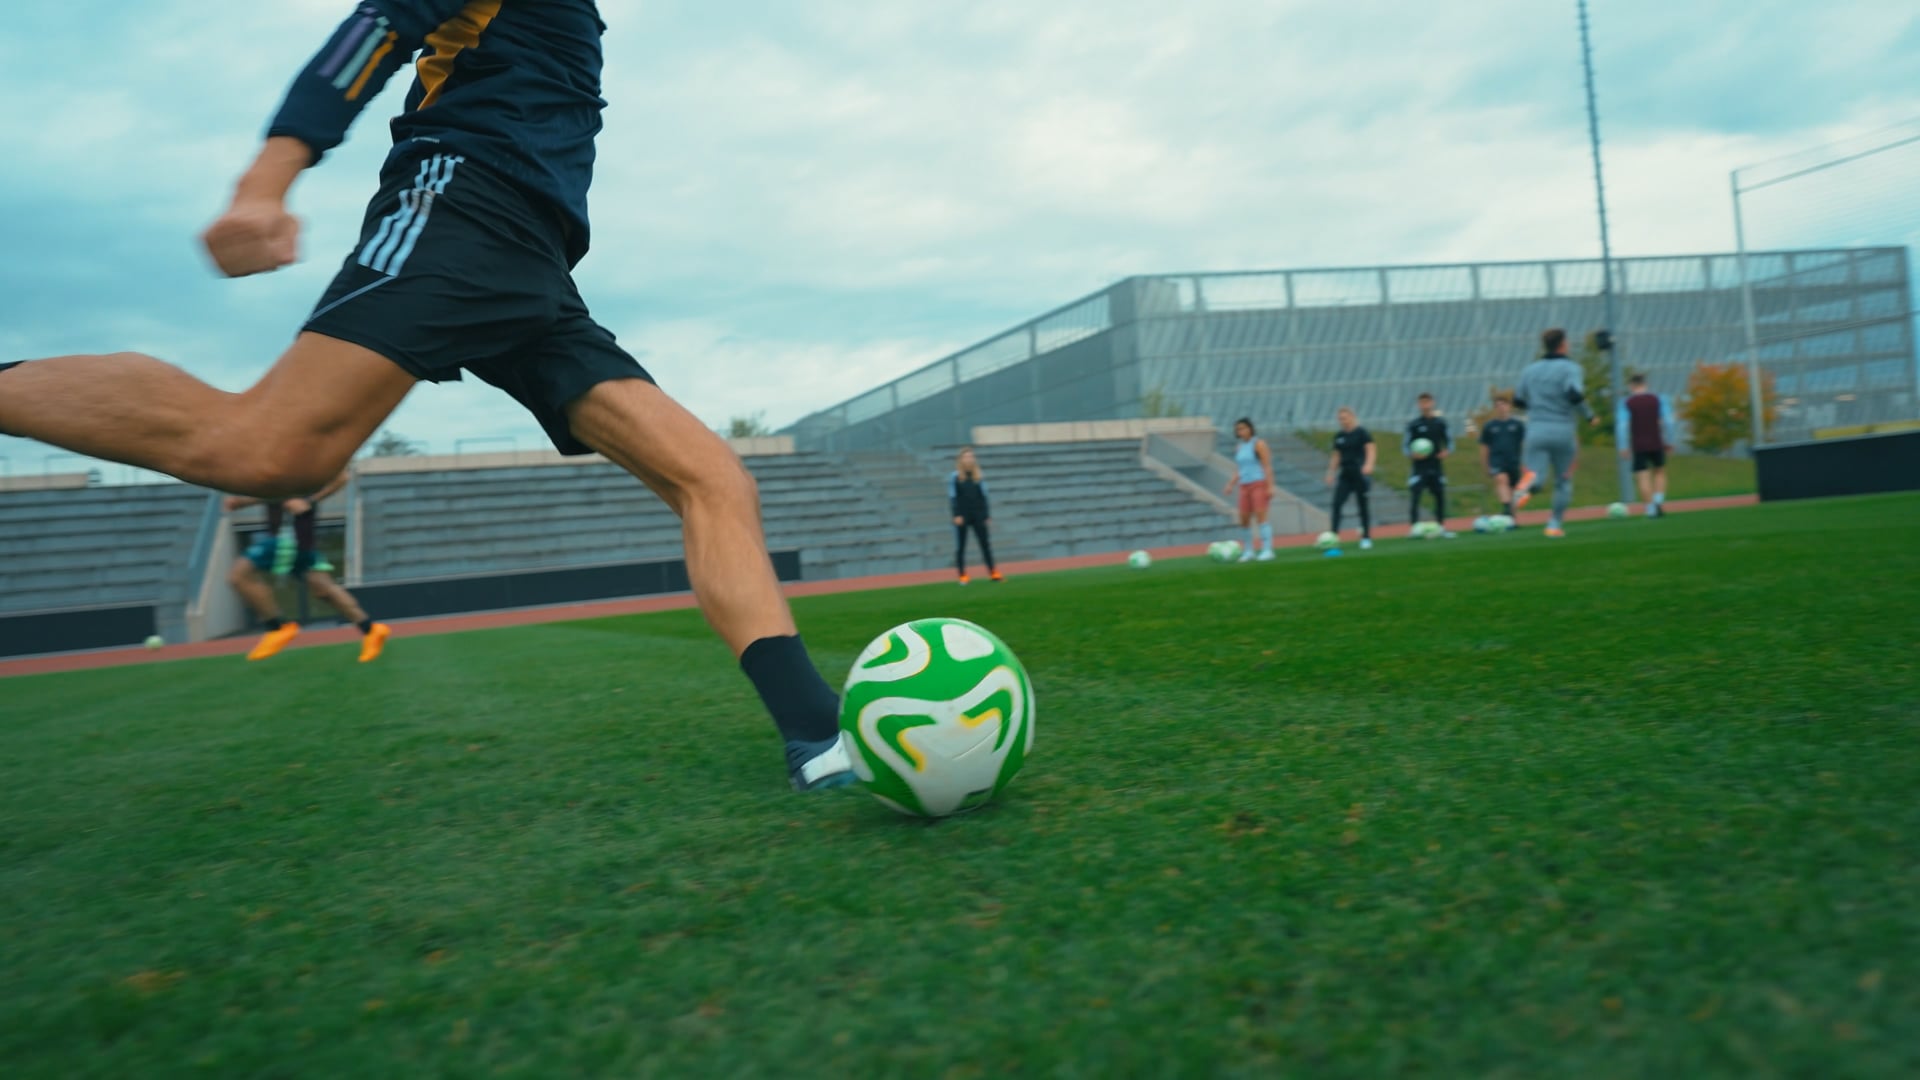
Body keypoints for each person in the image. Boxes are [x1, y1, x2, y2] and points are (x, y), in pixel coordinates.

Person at [0, 1, 856, 791]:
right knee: (267, 452)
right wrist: (265, 183)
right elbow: (378, 26)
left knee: (712, 478)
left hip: (535, 268)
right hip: (461, 207)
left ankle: (819, 738)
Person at [225, 471, 390, 663]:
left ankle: (276, 628)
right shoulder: (280, 468)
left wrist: (310, 500)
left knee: (239, 575)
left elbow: (341, 476)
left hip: (287, 536)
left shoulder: (302, 464)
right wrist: (244, 502)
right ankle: (370, 630)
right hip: (301, 539)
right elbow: (275, 495)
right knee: (325, 589)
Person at [1512, 328, 1601, 537]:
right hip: (1563, 430)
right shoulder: (1571, 368)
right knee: (1563, 480)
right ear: (1563, 344)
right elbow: (1573, 394)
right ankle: (1554, 525)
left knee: (1536, 475)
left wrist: (1538, 407)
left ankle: (1527, 486)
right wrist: (1590, 416)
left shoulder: (1530, 370)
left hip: (1537, 429)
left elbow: (1518, 400)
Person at [1616, 373, 1676, 517]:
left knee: (1642, 476)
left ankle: (1650, 508)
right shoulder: (1658, 399)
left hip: (1638, 444)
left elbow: (1622, 426)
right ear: (1645, 384)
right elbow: (1669, 421)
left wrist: (1623, 446)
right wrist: (1670, 441)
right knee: (1659, 471)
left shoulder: (1626, 403)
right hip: (1656, 441)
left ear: (1631, 386)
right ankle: (1658, 501)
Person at [1220, 418, 1277, 562]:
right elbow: (1239, 469)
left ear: (1250, 429)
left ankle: (1267, 549)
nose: (1241, 431)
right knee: (1244, 518)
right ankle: (1248, 550)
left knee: (1261, 516)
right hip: (1244, 485)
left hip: (1258, 483)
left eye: (1244, 428)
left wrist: (1270, 486)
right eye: (1238, 429)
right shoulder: (1239, 447)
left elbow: (1267, 466)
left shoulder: (1258, 444)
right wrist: (1230, 484)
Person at [1324, 406, 1376, 550]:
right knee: (1336, 504)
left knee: (1362, 506)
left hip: (1359, 473)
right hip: (1345, 475)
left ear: (1352, 417)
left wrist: (1369, 464)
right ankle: (1334, 536)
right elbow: (1336, 455)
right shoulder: (1339, 436)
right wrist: (1330, 472)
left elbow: (1371, 449)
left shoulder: (1362, 433)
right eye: (1340, 419)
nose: (1343, 421)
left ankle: (1366, 538)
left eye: (1345, 418)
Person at [1403, 392, 1454, 538]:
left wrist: (1446, 452)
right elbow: (1405, 446)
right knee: (1415, 496)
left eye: (1427, 402)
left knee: (1439, 496)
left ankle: (1441, 526)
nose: (1425, 405)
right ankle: (1414, 527)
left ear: (1432, 403)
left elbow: (1449, 442)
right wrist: (1412, 454)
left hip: (1436, 466)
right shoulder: (1414, 425)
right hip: (1419, 468)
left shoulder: (1440, 423)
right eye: (1422, 402)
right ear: (1419, 405)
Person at [949, 447, 1002, 585]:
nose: (969, 459)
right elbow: (953, 497)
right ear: (961, 459)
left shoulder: (979, 476)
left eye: (971, 456)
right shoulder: (955, 477)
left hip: (978, 514)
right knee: (961, 546)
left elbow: (983, 496)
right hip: (962, 515)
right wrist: (956, 514)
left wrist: (986, 514)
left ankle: (993, 572)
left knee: (985, 544)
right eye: (966, 457)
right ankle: (962, 575)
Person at [1478, 394, 1526, 517]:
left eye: (1503, 405)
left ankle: (1511, 517)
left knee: (1514, 491)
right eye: (1497, 405)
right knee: (1501, 479)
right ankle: (1506, 506)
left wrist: (1525, 463)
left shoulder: (1517, 425)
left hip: (1513, 461)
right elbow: (1484, 447)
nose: (1501, 408)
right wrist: (1485, 465)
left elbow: (1524, 444)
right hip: (1497, 461)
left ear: (1509, 406)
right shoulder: (1490, 426)